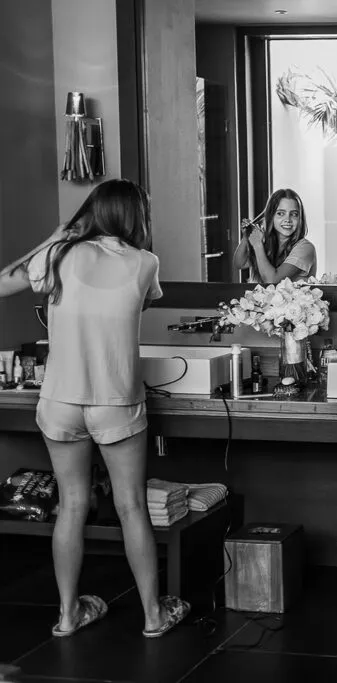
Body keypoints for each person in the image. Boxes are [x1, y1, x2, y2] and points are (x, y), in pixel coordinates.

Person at [0, 179, 191, 636]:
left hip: (60, 401)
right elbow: (139, 302)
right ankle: (153, 615)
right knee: (130, 507)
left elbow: (3, 282)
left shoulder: (59, 255)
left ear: (92, 211)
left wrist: (56, 237)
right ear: (136, 217)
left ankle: (68, 616)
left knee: (71, 506)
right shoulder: (146, 262)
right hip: (115, 403)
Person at [232, 188, 317, 284]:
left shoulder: (305, 248)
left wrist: (257, 245)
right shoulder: (266, 243)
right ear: (271, 217)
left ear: (300, 218)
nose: (287, 219)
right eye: (281, 213)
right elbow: (239, 263)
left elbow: (272, 280)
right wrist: (247, 236)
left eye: (294, 214)